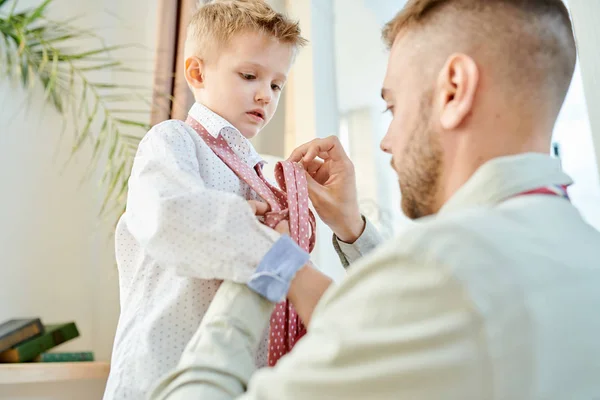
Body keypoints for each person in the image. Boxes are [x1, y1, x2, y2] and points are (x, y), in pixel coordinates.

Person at [150, 0, 600, 399]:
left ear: (454, 90)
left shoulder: (443, 272)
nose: (385, 141)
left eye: (392, 106)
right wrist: (352, 228)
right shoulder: (585, 254)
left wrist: (267, 265)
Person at [103, 1, 335, 399]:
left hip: (237, 379)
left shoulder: (269, 176)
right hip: (164, 373)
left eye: (277, 85)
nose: (265, 96)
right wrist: (286, 264)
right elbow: (171, 216)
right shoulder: (173, 141)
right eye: (250, 75)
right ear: (197, 72)